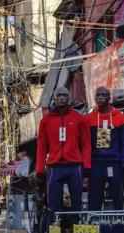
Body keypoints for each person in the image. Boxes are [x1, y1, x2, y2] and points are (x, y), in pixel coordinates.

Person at [36, 86, 91, 220]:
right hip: (54, 168)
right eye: (59, 95)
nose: (62, 98)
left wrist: (87, 167)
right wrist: (39, 169)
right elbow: (42, 146)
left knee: (77, 205)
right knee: (53, 207)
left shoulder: (79, 119)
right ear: (54, 98)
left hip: (74, 167)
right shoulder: (46, 121)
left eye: (65, 95)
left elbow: (86, 144)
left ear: (69, 98)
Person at [85, 86, 124, 210]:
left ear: (109, 98)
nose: (100, 98)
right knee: (94, 199)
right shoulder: (88, 119)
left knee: (117, 199)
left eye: (103, 95)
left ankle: (118, 227)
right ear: (95, 98)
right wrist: (86, 165)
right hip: (96, 165)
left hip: (115, 164)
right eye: (98, 95)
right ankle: (95, 226)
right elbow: (85, 144)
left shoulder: (122, 118)